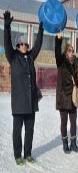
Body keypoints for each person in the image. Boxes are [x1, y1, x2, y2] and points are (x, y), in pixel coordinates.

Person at [3, 10, 44, 165]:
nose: (24, 45)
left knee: (30, 131)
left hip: (31, 102)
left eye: (25, 44)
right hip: (19, 102)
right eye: (21, 44)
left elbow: (38, 45)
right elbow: (6, 44)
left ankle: (27, 153)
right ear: (17, 46)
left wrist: (41, 29)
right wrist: (7, 27)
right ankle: (17, 155)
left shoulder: (31, 57)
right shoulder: (13, 57)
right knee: (17, 130)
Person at [55, 32, 78, 153]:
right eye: (69, 50)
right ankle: (65, 143)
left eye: (73, 50)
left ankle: (73, 143)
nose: (72, 52)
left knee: (73, 121)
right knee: (64, 122)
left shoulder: (75, 62)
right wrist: (58, 40)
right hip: (63, 96)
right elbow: (56, 51)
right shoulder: (60, 61)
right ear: (65, 52)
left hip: (73, 97)